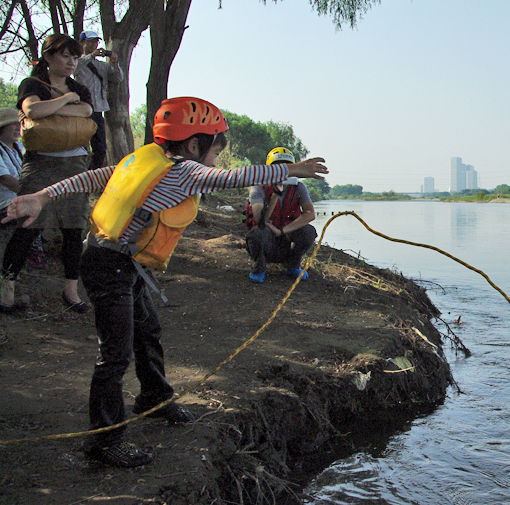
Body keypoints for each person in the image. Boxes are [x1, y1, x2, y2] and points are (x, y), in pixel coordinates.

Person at [2, 96, 327, 468]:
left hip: (121, 263)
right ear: (193, 145)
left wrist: (44, 195)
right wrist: (291, 170)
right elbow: (231, 178)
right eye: (216, 150)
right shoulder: (185, 170)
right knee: (114, 356)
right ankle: (106, 442)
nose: (217, 159)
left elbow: (92, 176)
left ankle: (154, 400)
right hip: (111, 266)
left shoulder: (142, 159)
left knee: (148, 330)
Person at [1, 33, 94, 312]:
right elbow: (31, 109)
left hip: (76, 165)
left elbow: (88, 111)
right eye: (65, 55)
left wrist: (53, 108)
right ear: (49, 56)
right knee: (29, 225)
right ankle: (6, 291)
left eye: (75, 57)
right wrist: (67, 101)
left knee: (73, 229)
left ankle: (71, 292)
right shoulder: (32, 84)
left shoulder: (81, 87)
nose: (71, 62)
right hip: (40, 163)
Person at [245, 147, 317, 283]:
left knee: (309, 231)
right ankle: (259, 267)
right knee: (257, 232)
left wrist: (281, 231)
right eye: (277, 168)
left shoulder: (299, 187)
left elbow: (310, 214)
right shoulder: (258, 188)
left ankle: (292, 265)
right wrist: (275, 195)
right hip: (265, 239)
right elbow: (260, 220)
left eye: (287, 167)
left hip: (285, 237)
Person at [74, 30, 123, 170]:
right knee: (80, 147)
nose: (94, 45)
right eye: (90, 42)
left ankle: (91, 176)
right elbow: (74, 69)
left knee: (100, 149)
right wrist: (91, 56)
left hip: (98, 110)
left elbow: (118, 78)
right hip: (81, 110)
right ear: (82, 43)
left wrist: (114, 62)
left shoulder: (101, 65)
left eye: (96, 42)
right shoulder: (77, 61)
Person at [0, 108, 22, 312]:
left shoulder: (20, 148)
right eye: (12, 124)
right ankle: (7, 292)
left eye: (19, 123)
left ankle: (9, 291)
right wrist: (34, 194)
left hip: (19, 202)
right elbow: (6, 180)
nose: (17, 127)